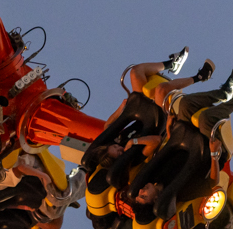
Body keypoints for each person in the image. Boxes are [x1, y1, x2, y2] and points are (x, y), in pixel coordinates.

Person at [126, 69, 233, 219]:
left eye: (139, 194)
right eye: (144, 196)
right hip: (207, 149)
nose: (141, 191)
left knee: (185, 104)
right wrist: (214, 154)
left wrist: (170, 131)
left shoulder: (155, 175)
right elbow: (212, 182)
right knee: (205, 118)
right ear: (156, 200)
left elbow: (169, 150)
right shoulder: (183, 192)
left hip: (185, 137)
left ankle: (223, 93)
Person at [85, 48, 215, 175]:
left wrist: (121, 107)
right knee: (161, 89)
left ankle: (172, 65)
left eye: (115, 148)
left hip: (139, 110)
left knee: (135, 71)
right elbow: (156, 141)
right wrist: (134, 142)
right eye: (119, 153)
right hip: (158, 121)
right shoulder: (134, 157)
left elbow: (108, 125)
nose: (119, 149)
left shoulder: (117, 141)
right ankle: (200, 76)